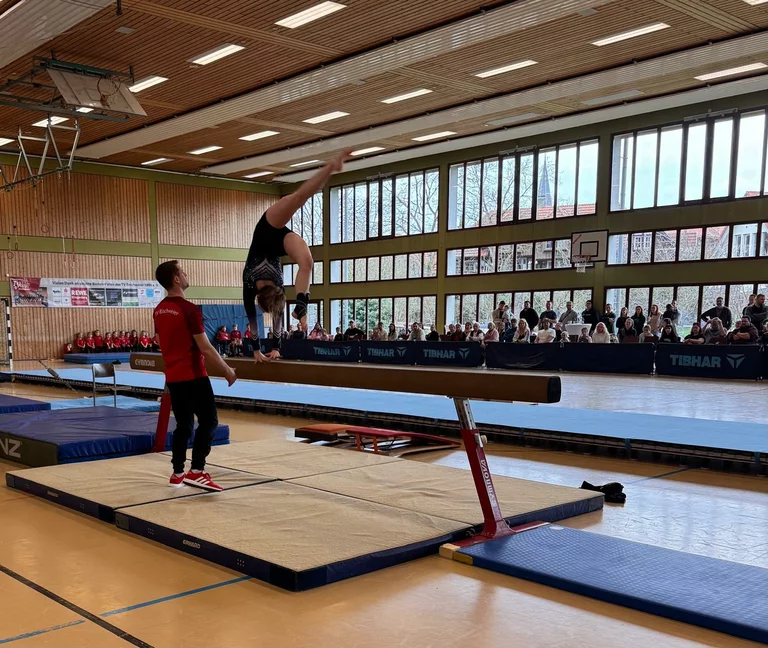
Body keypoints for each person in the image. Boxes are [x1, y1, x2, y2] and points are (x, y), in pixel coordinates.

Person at [243, 150, 351, 362]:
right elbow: (273, 317)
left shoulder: (249, 282)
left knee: (298, 198)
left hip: (266, 230)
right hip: (278, 245)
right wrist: (276, 348)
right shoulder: (277, 289)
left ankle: (331, 167)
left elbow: (253, 319)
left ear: (260, 300)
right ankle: (302, 306)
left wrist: (257, 350)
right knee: (307, 262)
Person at [154, 260, 237, 491]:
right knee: (209, 421)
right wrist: (227, 371)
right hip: (194, 375)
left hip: (173, 377)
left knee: (184, 424)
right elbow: (206, 348)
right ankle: (197, 471)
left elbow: (159, 340)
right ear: (176, 279)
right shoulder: (189, 309)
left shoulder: (159, 310)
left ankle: (177, 472)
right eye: (183, 271)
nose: (186, 274)